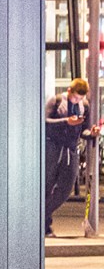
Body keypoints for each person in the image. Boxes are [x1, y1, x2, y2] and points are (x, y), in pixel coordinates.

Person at [46, 76, 89, 236]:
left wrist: (91, 132)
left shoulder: (84, 106)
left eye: (80, 98)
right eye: (75, 97)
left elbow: (84, 128)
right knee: (47, 186)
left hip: (71, 149)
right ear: (69, 91)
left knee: (65, 188)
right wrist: (66, 121)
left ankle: (40, 216)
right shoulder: (56, 101)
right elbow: (44, 122)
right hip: (53, 147)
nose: (77, 100)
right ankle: (44, 225)